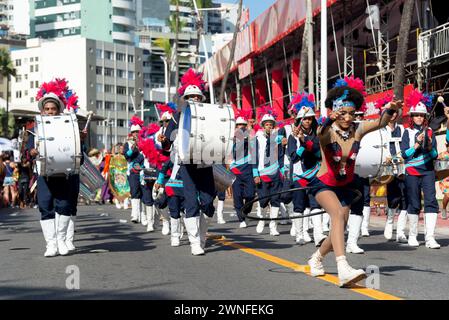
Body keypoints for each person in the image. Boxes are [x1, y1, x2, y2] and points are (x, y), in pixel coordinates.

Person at [306, 76, 401, 287]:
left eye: (351, 113)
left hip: (345, 186)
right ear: (335, 112)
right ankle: (343, 268)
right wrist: (330, 118)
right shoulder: (328, 131)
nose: (348, 117)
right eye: (343, 113)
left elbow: (380, 123)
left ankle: (316, 258)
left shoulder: (357, 129)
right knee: (338, 215)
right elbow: (320, 133)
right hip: (324, 183)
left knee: (339, 225)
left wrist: (390, 109)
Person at [159, 68, 216, 256]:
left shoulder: (210, 113)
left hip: (206, 161)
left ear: (202, 99)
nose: (194, 99)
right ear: (186, 98)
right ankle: (194, 241)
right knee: (191, 202)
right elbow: (167, 142)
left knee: (207, 203)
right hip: (186, 164)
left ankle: (201, 235)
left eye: (197, 97)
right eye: (191, 96)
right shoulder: (178, 115)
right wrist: (164, 141)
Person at [29, 78, 84, 257]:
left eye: (53, 109)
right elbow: (27, 154)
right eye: (47, 109)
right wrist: (31, 152)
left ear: (59, 110)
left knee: (65, 205)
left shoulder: (69, 128)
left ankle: (61, 240)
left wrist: (78, 141)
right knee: (45, 206)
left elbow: (78, 157)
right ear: (42, 111)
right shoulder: (35, 130)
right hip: (44, 173)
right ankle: (51, 244)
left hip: (63, 173)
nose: (50, 112)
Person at [401, 89, 447, 249]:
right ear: (412, 117)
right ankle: (412, 235)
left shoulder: (430, 132)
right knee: (413, 203)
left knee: (431, 202)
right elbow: (405, 154)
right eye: (416, 115)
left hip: (428, 171)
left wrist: (427, 145)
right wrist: (416, 144)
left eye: (422, 115)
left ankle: (430, 237)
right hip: (412, 172)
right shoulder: (406, 132)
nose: (419, 117)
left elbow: (434, 153)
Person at [287, 92, 326, 246]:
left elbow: (318, 151)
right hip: (299, 175)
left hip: (315, 173)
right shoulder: (292, 137)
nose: (308, 121)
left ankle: (318, 235)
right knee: (299, 205)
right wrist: (302, 145)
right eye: (305, 119)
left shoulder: (317, 133)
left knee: (316, 203)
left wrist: (306, 143)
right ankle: (300, 233)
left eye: (310, 118)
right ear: (299, 120)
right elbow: (293, 157)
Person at [377, 95, 409, 242]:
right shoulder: (379, 130)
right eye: (391, 111)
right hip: (388, 167)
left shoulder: (402, 129)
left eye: (395, 111)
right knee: (393, 196)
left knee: (405, 198)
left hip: (402, 166)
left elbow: (406, 147)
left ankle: (401, 231)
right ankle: (389, 222)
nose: (394, 114)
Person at [252, 106, 284, 236]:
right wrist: (255, 173)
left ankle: (273, 226)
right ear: (263, 126)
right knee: (263, 200)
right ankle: (262, 219)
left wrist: (282, 171)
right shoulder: (257, 138)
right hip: (262, 172)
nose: (269, 126)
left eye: (271, 124)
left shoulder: (278, 138)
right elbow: (253, 157)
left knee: (275, 199)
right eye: (267, 124)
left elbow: (281, 155)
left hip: (275, 172)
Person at [230, 109, 256, 228]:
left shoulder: (249, 135)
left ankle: (245, 212)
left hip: (248, 169)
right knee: (237, 196)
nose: (240, 127)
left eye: (243, 125)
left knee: (250, 195)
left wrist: (249, 128)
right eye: (238, 125)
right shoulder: (231, 138)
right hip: (235, 171)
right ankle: (241, 219)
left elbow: (253, 141)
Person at [124, 116, 145, 223]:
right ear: (131, 133)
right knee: (135, 192)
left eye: (138, 132)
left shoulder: (146, 141)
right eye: (134, 132)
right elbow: (126, 156)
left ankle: (144, 216)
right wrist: (133, 147)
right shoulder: (128, 144)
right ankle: (135, 215)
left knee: (145, 194)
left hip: (144, 171)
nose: (136, 134)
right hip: (133, 171)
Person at [438, 143, 449, 220]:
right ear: (446, 146)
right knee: (448, 195)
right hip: (445, 179)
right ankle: (444, 209)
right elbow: (436, 165)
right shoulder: (442, 155)